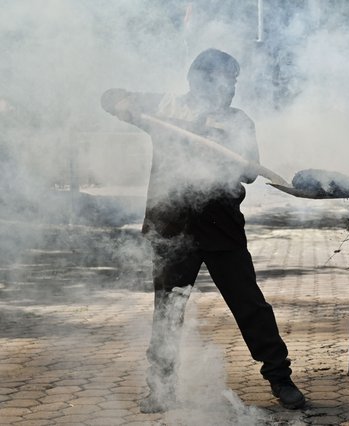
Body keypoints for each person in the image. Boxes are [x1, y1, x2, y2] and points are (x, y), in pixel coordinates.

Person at [101, 48, 305, 413]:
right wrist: (120, 103)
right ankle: (160, 388)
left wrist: (225, 138)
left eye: (234, 82)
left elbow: (248, 172)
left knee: (250, 306)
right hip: (171, 227)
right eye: (226, 80)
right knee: (168, 310)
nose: (231, 88)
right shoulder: (165, 108)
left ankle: (280, 378)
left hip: (221, 226)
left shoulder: (238, 120)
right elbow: (109, 97)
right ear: (198, 80)